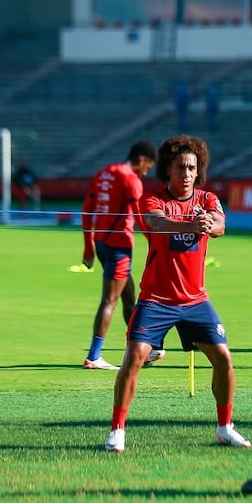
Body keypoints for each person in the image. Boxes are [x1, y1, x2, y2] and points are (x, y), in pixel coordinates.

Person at [104, 134, 250, 452]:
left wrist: (210, 223)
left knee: (224, 358)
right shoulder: (153, 200)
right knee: (134, 357)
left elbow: (221, 225)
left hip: (196, 299)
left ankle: (225, 428)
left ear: (199, 171)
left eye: (192, 168)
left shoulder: (208, 199)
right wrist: (190, 226)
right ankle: (117, 430)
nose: (186, 173)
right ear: (168, 170)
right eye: (180, 167)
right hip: (156, 299)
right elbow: (156, 223)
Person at [80, 141, 161, 370]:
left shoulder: (104, 173)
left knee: (129, 297)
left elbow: (87, 209)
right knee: (110, 300)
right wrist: (154, 243)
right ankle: (94, 356)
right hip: (119, 247)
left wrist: (88, 247)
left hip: (102, 243)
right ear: (142, 159)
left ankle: (140, 350)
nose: (146, 172)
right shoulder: (131, 180)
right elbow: (139, 216)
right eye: (148, 167)